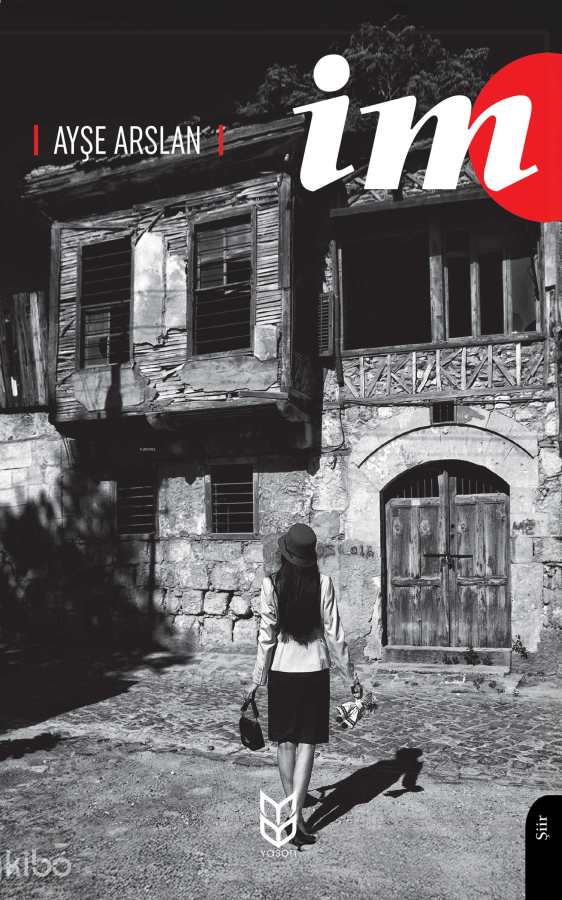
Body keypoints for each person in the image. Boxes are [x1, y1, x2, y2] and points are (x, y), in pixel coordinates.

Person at [244, 523, 362, 847]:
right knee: (307, 743)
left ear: (285, 555)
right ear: (311, 557)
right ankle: (295, 817)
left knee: (285, 743)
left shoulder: (271, 585)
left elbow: (266, 636)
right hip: (314, 672)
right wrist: (350, 679)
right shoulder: (323, 584)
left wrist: (256, 679)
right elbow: (335, 636)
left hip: (282, 672)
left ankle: (292, 813)